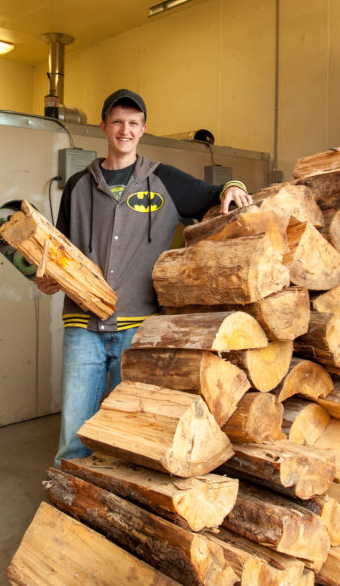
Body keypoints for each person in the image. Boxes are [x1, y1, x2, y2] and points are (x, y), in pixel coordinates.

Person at [37, 88, 253, 466]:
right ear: (104, 126)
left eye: (133, 124)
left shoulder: (164, 179)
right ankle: (66, 508)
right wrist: (47, 277)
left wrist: (235, 186)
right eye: (118, 122)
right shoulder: (78, 185)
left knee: (128, 436)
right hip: (82, 326)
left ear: (143, 130)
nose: (125, 130)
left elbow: (216, 192)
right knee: (74, 435)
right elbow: (59, 252)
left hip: (138, 329)